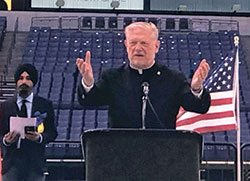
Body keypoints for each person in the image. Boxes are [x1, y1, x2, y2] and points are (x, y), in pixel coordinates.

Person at [76, 21, 211, 129]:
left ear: (156, 46)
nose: (138, 48)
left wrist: (196, 89)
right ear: (126, 45)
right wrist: (87, 83)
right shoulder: (113, 78)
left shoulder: (173, 78)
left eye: (144, 43)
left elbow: (198, 106)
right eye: (133, 43)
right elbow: (90, 100)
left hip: (164, 154)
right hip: (120, 154)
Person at [0, 63, 58, 181]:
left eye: (28, 78)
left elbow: (52, 132)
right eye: (21, 78)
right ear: (16, 82)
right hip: (11, 163)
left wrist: (39, 138)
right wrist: (5, 140)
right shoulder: (4, 107)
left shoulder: (44, 105)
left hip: (35, 164)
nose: (24, 82)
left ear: (33, 83)